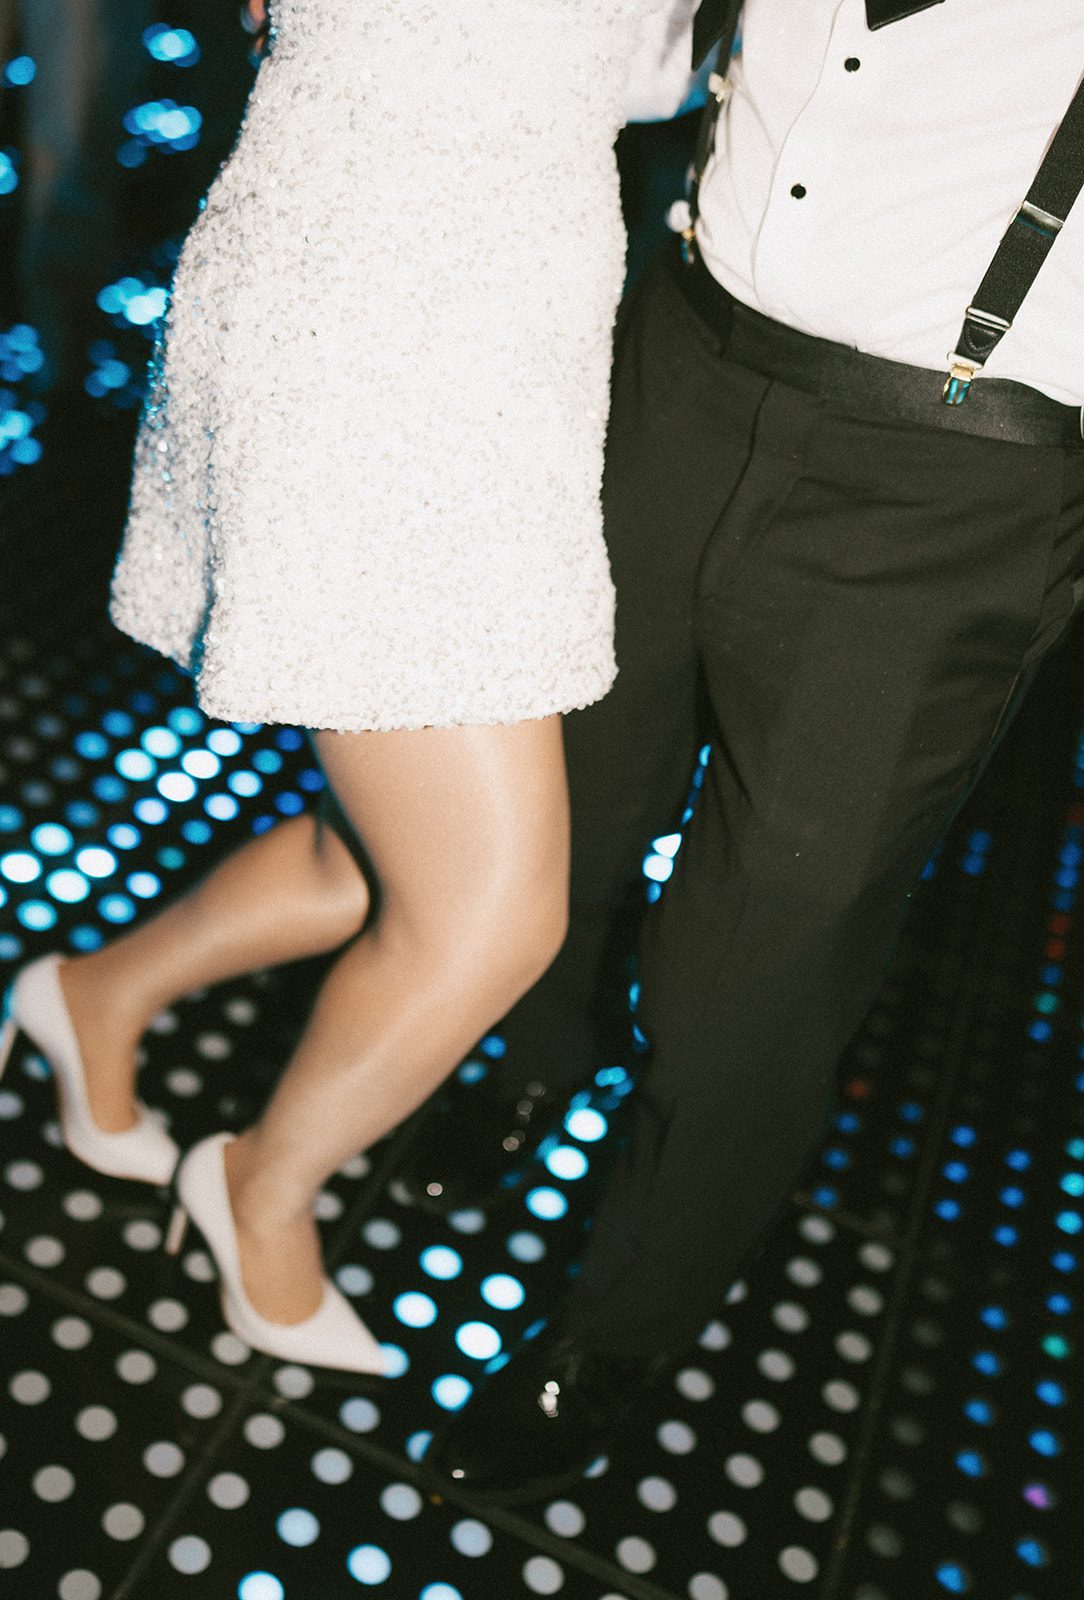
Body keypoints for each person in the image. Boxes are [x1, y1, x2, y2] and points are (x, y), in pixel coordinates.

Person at [420, 0, 1084, 1499]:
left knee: (757, 957)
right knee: (561, 785)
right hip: (679, 361)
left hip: (948, 480)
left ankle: (623, 1326)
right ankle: (535, 1051)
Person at [0, 0, 677, 1372]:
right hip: (383, 345)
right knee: (488, 918)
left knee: (386, 853)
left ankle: (96, 999)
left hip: (491, 350)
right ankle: (259, 1191)